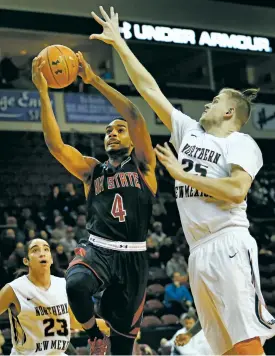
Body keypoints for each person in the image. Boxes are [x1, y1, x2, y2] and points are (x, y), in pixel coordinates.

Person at [90, 7, 275, 355]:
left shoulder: (241, 144)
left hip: (228, 243)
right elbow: (148, 88)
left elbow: (237, 191)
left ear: (230, 112)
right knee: (224, 349)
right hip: (198, 253)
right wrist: (119, 43)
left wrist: (181, 174)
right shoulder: (188, 132)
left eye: (216, 100)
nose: (209, 102)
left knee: (247, 344)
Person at [32, 51, 157, 355]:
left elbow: (134, 115)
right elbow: (56, 146)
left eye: (119, 130)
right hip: (97, 247)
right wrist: (43, 92)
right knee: (74, 284)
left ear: (130, 139)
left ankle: (111, 340)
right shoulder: (92, 170)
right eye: (108, 132)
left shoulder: (143, 166)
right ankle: (93, 332)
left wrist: (93, 79)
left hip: (133, 259)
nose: (113, 133)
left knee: (124, 349)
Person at [0, 238, 80, 355]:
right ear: (26, 261)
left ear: (51, 259)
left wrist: (111, 327)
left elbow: (74, 321)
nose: (42, 253)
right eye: (35, 250)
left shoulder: (63, 284)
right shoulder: (14, 289)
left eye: (46, 249)